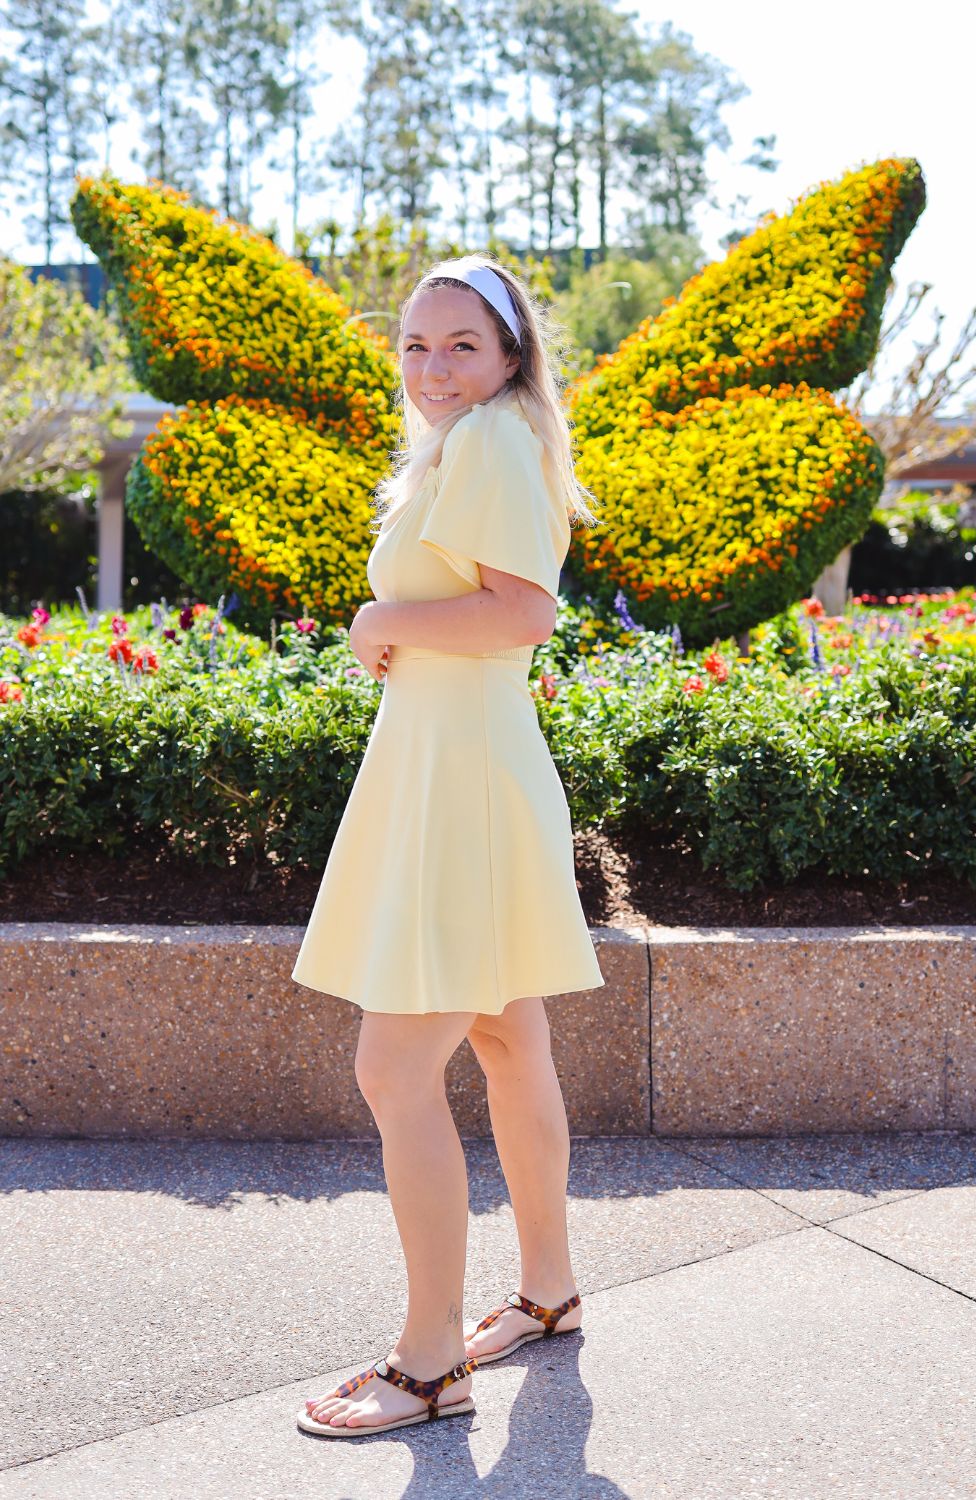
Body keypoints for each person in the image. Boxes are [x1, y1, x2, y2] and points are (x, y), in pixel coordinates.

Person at [292, 253, 606, 1438]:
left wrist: (382, 618)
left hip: (464, 783)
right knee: (506, 1041)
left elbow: (524, 612)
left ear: (512, 354)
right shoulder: (481, 441)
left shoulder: (488, 441)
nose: (433, 368)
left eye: (460, 345)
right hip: (466, 767)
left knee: (394, 1071)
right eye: (416, 346)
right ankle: (547, 1289)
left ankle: (429, 1365)